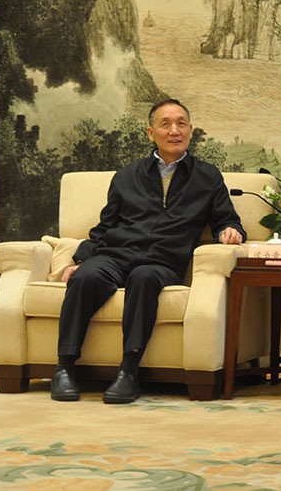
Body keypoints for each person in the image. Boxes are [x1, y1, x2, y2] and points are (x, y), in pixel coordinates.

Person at [51, 99, 245, 404]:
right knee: (85, 277)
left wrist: (229, 230)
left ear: (190, 131)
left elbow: (226, 219)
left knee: (143, 278)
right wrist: (81, 260)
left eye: (181, 123)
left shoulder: (207, 177)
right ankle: (64, 368)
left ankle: (128, 372)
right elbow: (105, 226)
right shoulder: (127, 176)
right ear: (150, 133)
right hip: (115, 255)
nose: (174, 131)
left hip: (162, 261)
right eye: (165, 124)